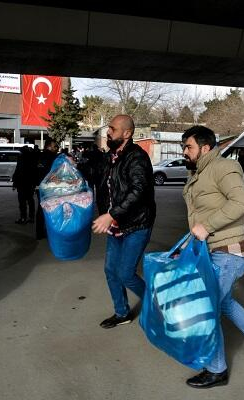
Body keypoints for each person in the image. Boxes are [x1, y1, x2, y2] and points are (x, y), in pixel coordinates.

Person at [181, 126, 244, 389]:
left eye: (188, 146)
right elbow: (199, 218)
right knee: (224, 304)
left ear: (205, 147)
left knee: (207, 310)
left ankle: (217, 370)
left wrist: (208, 226)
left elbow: (242, 202)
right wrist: (190, 242)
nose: (184, 151)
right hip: (213, 250)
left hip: (228, 252)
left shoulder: (223, 167)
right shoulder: (200, 172)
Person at [92, 115, 156, 329]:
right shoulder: (110, 156)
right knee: (111, 271)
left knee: (126, 274)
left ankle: (157, 305)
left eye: (112, 128)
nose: (108, 132)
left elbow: (139, 190)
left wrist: (111, 215)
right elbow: (101, 182)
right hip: (116, 225)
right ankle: (122, 313)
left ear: (127, 133)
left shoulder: (137, 157)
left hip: (136, 224)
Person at [35, 138, 59, 239]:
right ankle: (48, 232)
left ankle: (40, 232)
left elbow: (36, 171)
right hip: (49, 188)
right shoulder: (53, 157)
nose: (56, 148)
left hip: (39, 186)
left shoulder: (39, 155)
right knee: (51, 210)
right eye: (54, 146)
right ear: (49, 146)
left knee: (41, 209)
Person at [12, 146, 36, 224]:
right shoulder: (32, 159)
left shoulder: (21, 158)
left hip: (21, 183)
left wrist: (14, 182)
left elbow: (18, 170)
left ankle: (23, 218)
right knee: (30, 200)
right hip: (29, 183)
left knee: (22, 202)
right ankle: (31, 217)